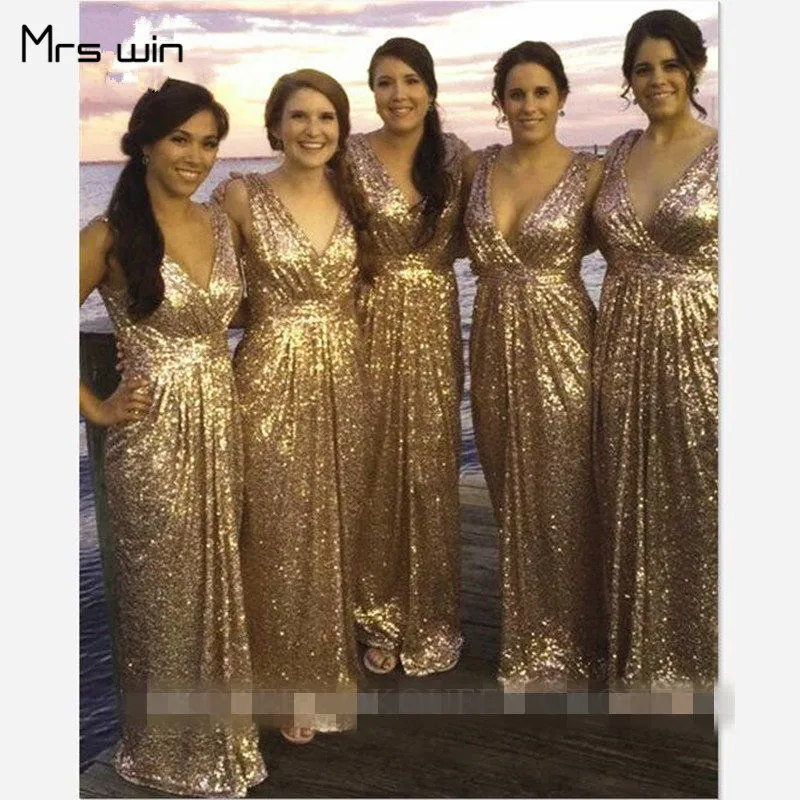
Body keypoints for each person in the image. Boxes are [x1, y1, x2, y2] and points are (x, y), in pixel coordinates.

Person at [79, 79, 267, 796]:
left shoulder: (219, 221)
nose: (195, 156)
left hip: (222, 422)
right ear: (145, 144)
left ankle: (221, 743)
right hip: (152, 438)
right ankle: (163, 754)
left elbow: (243, 305)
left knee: (220, 581)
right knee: (163, 598)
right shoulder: (108, 234)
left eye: (209, 142)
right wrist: (96, 409)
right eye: (180, 139)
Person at [215, 69, 367, 744]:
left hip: (345, 374)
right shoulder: (241, 196)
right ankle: (276, 688)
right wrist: (151, 341)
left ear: (341, 128)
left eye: (327, 117)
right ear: (275, 126)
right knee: (273, 529)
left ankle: (322, 677)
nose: (313, 130)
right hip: (269, 376)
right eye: (299, 116)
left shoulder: (354, 193)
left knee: (334, 527)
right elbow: (206, 282)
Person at [464, 42, 606, 691]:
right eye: (516, 94)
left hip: (564, 343)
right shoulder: (476, 169)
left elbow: (636, 248)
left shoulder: (591, 173)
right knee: (511, 492)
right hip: (493, 343)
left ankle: (577, 642)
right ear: (500, 102)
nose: (528, 105)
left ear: (561, 98)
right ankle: (530, 639)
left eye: (540, 93)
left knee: (569, 491)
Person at [592, 9, 718, 691]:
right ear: (629, 80)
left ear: (695, 69)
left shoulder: (729, 153)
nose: (658, 79)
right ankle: (642, 656)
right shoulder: (616, 154)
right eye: (643, 69)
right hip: (620, 348)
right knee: (628, 495)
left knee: (701, 495)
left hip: (705, 349)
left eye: (671, 65)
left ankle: (706, 656)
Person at [346, 37, 469, 676]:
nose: (399, 94)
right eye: (385, 82)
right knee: (371, 468)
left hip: (434, 322)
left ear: (431, 89)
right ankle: (375, 614)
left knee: (429, 467)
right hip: (365, 321)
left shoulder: (456, 157)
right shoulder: (347, 156)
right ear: (372, 92)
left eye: (411, 80)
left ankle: (432, 616)